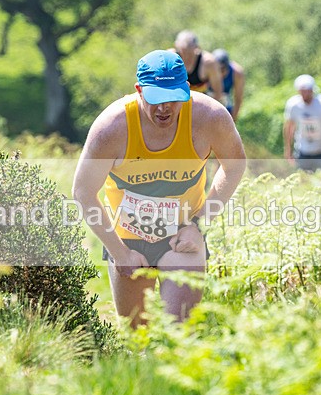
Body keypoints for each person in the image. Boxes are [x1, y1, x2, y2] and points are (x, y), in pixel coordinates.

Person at [72, 49, 246, 327]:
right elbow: (82, 191)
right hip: (128, 240)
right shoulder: (112, 127)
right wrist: (119, 253)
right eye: (155, 99)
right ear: (139, 90)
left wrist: (199, 225)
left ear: (186, 89)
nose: (164, 108)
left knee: (176, 334)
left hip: (182, 237)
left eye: (173, 98)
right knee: (137, 337)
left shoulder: (209, 118)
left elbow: (235, 166)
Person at [283, 74, 321, 173]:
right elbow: (289, 127)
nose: (305, 94)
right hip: (303, 150)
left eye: (307, 91)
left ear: (312, 90)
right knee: (304, 181)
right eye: (302, 92)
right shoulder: (293, 105)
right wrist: (288, 150)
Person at [172, 30, 224, 104]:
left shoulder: (209, 62)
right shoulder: (170, 58)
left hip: (200, 104)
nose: (186, 57)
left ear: (197, 48)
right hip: (176, 104)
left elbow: (218, 92)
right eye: (183, 52)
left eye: (189, 53)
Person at [211, 48, 245, 121]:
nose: (220, 74)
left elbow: (238, 99)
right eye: (217, 70)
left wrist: (233, 120)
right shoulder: (207, 69)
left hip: (226, 107)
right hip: (207, 104)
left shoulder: (237, 73)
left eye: (222, 70)